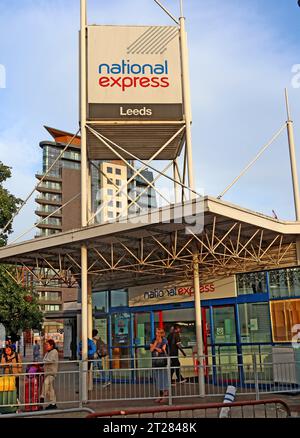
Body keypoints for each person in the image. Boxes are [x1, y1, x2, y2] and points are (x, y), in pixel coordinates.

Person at [150, 328, 169, 404]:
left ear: (161, 333)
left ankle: (165, 395)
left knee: (163, 379)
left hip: (162, 362)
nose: (156, 334)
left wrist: (156, 348)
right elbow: (151, 349)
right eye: (156, 332)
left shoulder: (164, 340)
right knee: (158, 380)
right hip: (155, 362)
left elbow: (162, 349)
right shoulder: (153, 340)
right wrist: (156, 343)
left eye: (158, 332)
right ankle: (160, 396)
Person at [39, 339, 59, 410]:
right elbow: (45, 361)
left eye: (47, 345)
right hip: (46, 372)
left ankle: (42, 396)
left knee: (46, 383)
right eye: (45, 345)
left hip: (52, 373)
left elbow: (50, 360)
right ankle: (53, 403)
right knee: (50, 390)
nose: (46, 346)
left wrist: (43, 362)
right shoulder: (47, 352)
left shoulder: (54, 352)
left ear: (52, 345)